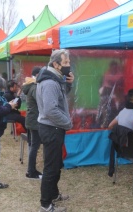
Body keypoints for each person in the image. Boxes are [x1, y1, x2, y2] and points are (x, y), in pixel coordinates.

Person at [36, 49, 74, 212]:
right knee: (51, 168)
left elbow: (61, 96)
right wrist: (67, 123)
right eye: (65, 63)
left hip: (54, 128)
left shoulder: (55, 78)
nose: (68, 65)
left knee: (56, 164)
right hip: (52, 128)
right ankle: (46, 204)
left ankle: (53, 194)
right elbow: (51, 110)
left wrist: (69, 83)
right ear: (56, 64)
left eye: (68, 62)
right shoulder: (50, 82)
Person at [22, 66, 43, 179]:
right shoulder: (34, 86)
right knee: (34, 146)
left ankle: (31, 170)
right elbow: (40, 101)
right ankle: (31, 171)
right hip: (35, 120)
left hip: (31, 119)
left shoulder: (30, 85)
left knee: (33, 145)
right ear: (38, 74)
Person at [96, 61, 125, 128]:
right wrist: (101, 91)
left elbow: (120, 84)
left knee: (116, 107)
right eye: (112, 67)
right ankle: (103, 122)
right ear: (110, 67)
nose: (113, 69)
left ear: (116, 68)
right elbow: (101, 83)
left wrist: (115, 85)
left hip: (116, 92)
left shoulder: (120, 75)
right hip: (106, 92)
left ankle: (116, 123)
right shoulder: (106, 74)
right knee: (104, 107)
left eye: (115, 67)